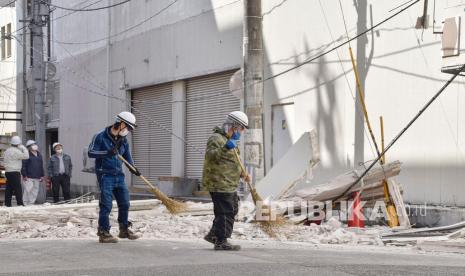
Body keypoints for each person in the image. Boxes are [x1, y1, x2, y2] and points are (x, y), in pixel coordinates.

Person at [88, 111, 141, 243]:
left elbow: (127, 157)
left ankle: (124, 229)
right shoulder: (100, 136)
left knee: (125, 203)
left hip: (119, 175)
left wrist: (133, 168)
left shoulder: (123, 141)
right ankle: (103, 232)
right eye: (128, 128)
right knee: (106, 205)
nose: (128, 131)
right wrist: (107, 153)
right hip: (105, 175)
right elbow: (91, 152)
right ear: (121, 124)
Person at [202, 111, 250, 251]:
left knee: (233, 208)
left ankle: (213, 235)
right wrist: (226, 147)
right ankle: (221, 241)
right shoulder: (216, 138)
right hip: (219, 183)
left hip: (229, 183)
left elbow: (233, 161)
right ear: (234, 126)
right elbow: (211, 156)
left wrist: (243, 174)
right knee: (225, 212)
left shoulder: (231, 141)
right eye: (241, 129)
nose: (241, 132)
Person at [3, 136, 29, 207]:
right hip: (15, 172)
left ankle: (7, 203)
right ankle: (20, 203)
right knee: (18, 188)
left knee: (9, 188)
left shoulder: (7, 151)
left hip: (8, 172)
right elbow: (26, 156)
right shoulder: (17, 151)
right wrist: (23, 148)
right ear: (18, 144)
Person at [21, 140, 45, 205]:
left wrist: (42, 175)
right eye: (32, 145)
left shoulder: (39, 154)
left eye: (35, 144)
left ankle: (31, 203)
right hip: (29, 176)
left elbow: (41, 165)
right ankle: (25, 203)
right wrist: (24, 175)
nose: (35, 146)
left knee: (35, 191)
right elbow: (23, 166)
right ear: (29, 147)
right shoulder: (27, 154)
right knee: (28, 190)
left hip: (37, 176)